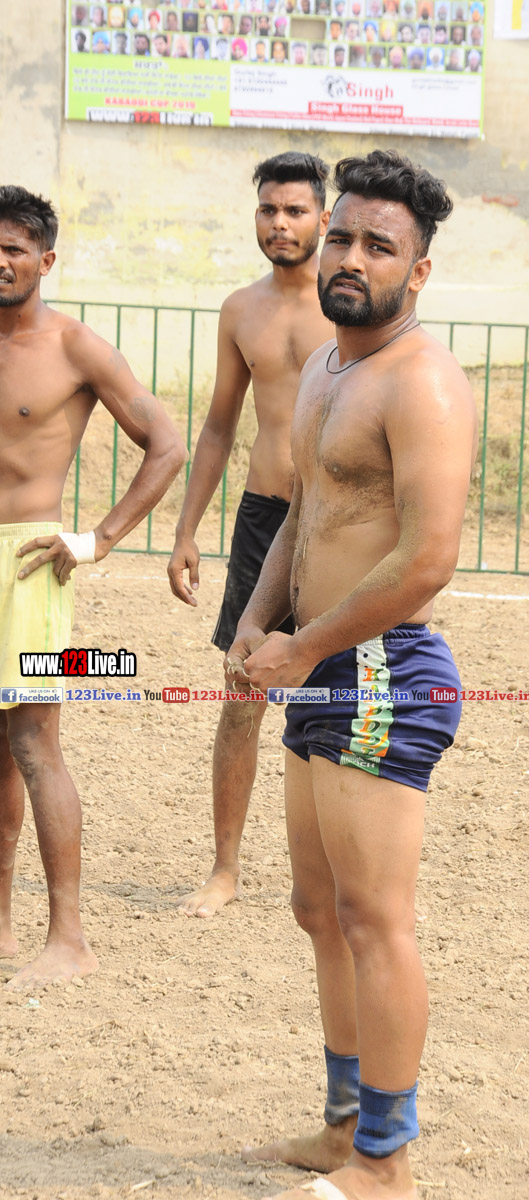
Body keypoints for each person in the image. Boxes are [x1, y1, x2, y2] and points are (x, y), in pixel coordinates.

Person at [231, 149, 475, 1200]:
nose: (349, 257)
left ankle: (386, 1160)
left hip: (381, 669)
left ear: (416, 273)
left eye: (379, 246)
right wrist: (258, 621)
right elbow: (303, 512)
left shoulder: (422, 380)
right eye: (342, 235)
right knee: (317, 908)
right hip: (321, 663)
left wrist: (305, 644)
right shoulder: (329, 370)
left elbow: (427, 559)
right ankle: (344, 1128)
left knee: (374, 920)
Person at [0, 186, 185, 991]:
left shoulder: (76, 347)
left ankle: (68, 938)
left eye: (12, 247)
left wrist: (98, 539)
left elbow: (167, 444)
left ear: (44, 259)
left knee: (34, 745)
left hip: (27, 565)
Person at [168, 154, 333, 920]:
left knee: (346, 692)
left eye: (295, 210)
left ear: (323, 218)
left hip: (339, 521)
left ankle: (346, 871)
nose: (279, 223)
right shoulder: (240, 310)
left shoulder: (351, 305)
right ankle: (224, 869)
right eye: (269, 209)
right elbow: (217, 427)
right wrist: (186, 530)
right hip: (264, 520)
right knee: (241, 693)